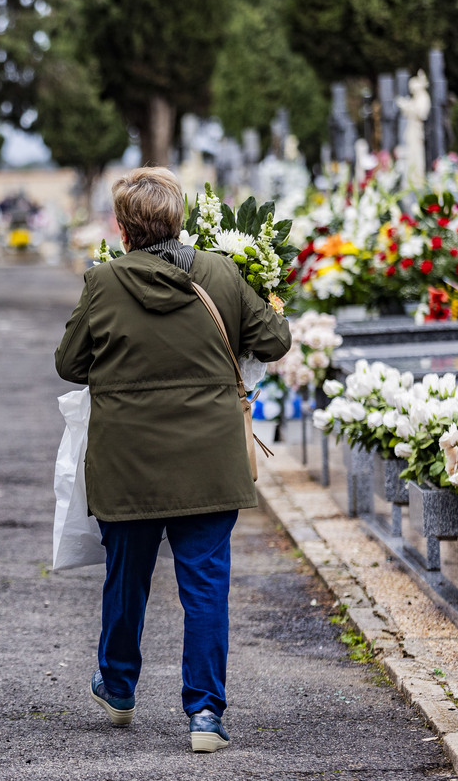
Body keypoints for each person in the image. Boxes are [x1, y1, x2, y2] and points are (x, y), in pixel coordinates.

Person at [54, 167, 291, 753]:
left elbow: (69, 362)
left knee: (126, 577)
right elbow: (276, 342)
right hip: (209, 461)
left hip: (127, 461)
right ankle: (205, 714)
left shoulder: (102, 282)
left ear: (122, 227)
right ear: (180, 219)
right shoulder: (221, 273)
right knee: (206, 587)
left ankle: (118, 687)